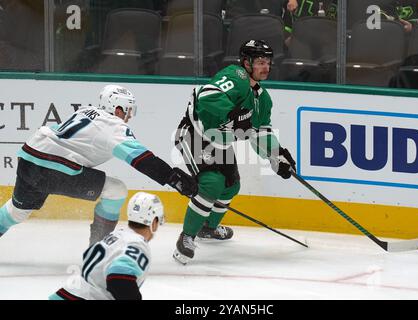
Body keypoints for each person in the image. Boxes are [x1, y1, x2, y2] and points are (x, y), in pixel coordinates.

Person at [0, 85, 197, 246]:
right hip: (54, 167)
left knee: (16, 211)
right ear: (118, 109)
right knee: (116, 190)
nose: (129, 116)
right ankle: (98, 248)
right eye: (128, 110)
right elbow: (142, 159)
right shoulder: (114, 126)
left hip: (28, 158)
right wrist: (175, 179)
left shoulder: (84, 111)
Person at [172, 39, 296, 265]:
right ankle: (187, 236)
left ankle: (208, 228)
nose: (265, 67)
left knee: (231, 185)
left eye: (268, 62)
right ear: (246, 63)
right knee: (212, 183)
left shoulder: (263, 99)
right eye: (260, 62)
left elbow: (260, 133)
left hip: (219, 141)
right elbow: (208, 95)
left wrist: (277, 155)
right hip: (195, 133)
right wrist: (231, 114)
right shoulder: (235, 76)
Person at [49, 192, 164, 300]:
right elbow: (119, 278)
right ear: (153, 222)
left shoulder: (116, 236)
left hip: (68, 294)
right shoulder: (137, 244)